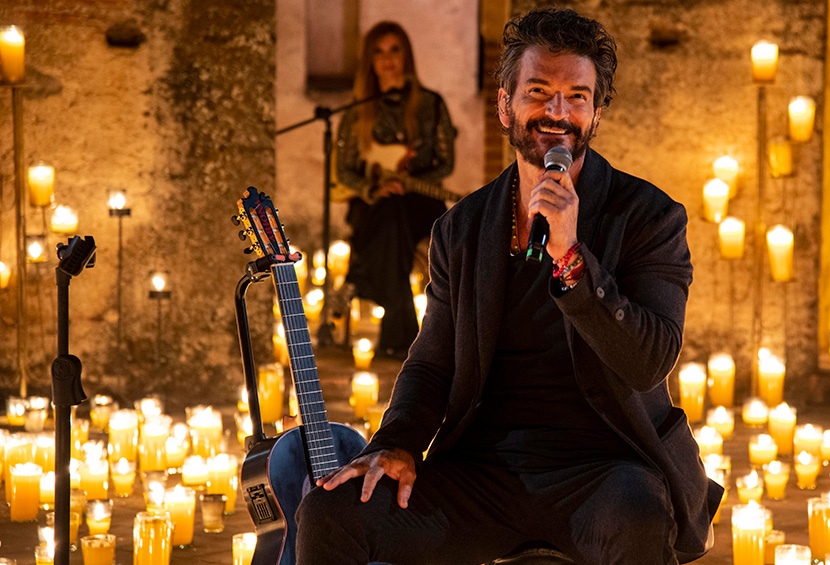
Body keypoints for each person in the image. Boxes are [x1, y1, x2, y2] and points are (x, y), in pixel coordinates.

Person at [297, 8, 723, 564]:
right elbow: (432, 363)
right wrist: (396, 443)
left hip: (606, 469)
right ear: (505, 105)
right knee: (329, 512)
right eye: (538, 91)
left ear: (596, 114)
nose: (558, 112)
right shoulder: (463, 228)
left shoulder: (648, 216)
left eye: (577, 97)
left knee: (639, 517)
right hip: (483, 473)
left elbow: (649, 361)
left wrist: (571, 257)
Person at [335, 21, 457, 358]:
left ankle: (375, 300)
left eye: (394, 49)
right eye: (379, 51)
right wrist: (372, 189)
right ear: (370, 61)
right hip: (374, 202)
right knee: (389, 216)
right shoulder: (357, 111)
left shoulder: (431, 104)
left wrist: (410, 179)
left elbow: (446, 163)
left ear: (406, 56)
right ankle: (404, 335)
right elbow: (343, 171)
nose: (387, 59)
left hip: (420, 201)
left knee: (395, 218)